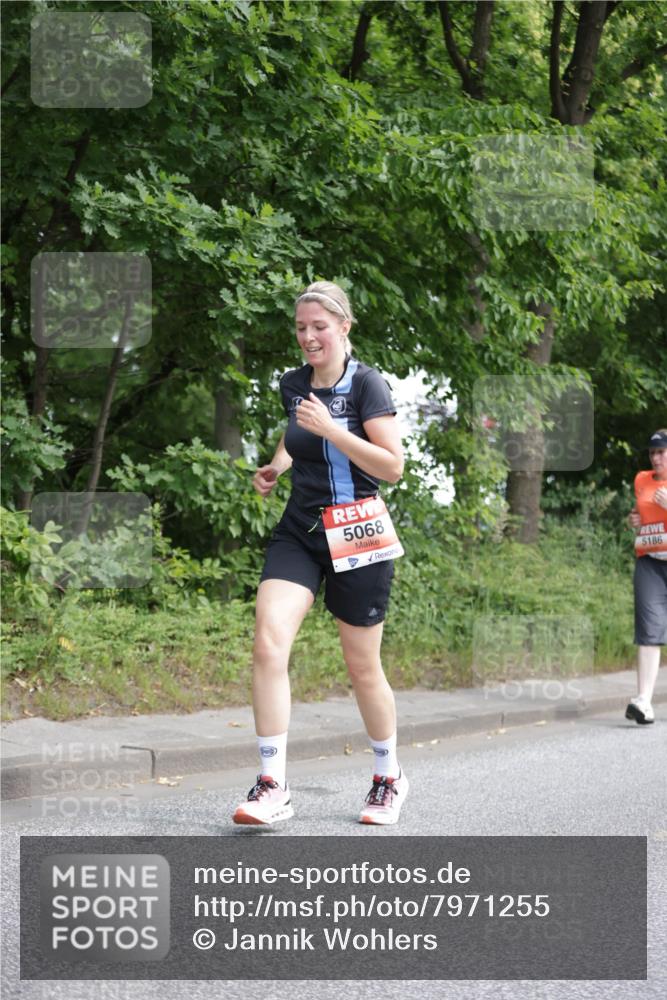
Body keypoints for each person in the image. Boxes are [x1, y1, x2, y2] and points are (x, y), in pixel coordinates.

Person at [232, 280, 408, 826]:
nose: (308, 337)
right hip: (302, 532)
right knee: (268, 642)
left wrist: (334, 431)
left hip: (359, 531)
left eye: (319, 327)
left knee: (361, 667)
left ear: (344, 328)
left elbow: (392, 467)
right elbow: (296, 432)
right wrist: (277, 464)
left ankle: (388, 777)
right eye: (302, 328)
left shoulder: (368, 386)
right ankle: (272, 784)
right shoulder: (293, 383)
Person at [626, 428, 667, 724]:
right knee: (649, 629)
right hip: (650, 563)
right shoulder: (641, 480)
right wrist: (634, 519)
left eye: (662, 451)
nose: (656, 457)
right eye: (653, 452)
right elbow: (640, 513)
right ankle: (643, 702)